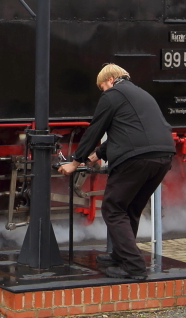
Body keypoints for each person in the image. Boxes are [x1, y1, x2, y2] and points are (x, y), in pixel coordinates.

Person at [58, 63, 175, 281]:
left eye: (102, 87)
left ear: (110, 80)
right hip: (163, 157)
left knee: (113, 208)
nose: (103, 91)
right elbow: (129, 131)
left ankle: (134, 267)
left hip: (136, 159)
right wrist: (97, 154)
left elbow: (96, 128)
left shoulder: (113, 94)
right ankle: (120, 257)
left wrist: (75, 161)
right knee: (130, 209)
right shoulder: (141, 95)